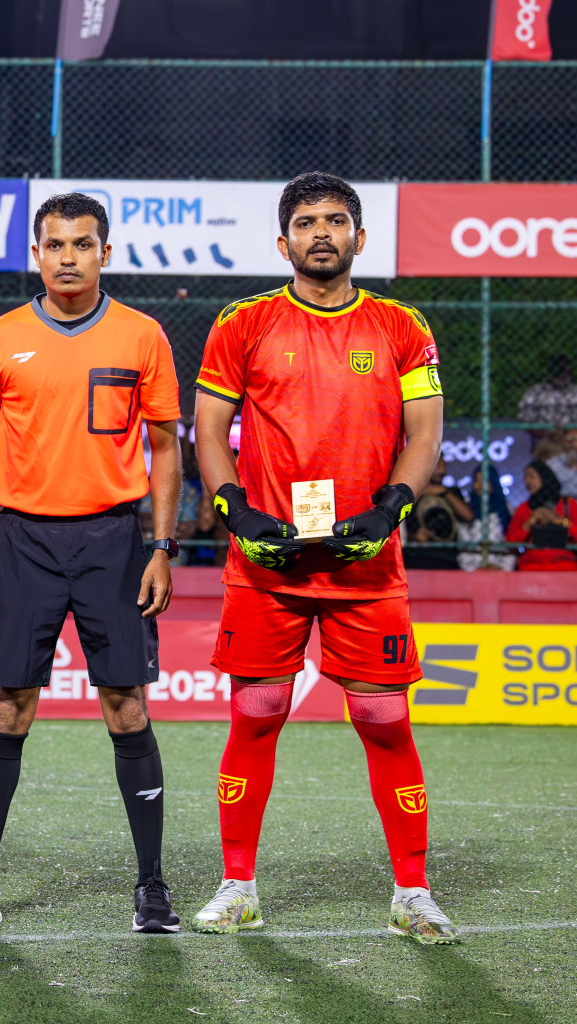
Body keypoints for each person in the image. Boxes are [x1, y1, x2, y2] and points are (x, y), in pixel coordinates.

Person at [191, 172, 459, 943]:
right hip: (267, 560)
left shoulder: (402, 325)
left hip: (367, 562)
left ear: (359, 238)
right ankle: (238, 885)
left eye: (335, 221)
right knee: (258, 709)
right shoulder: (243, 323)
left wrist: (391, 507)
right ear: (283, 242)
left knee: (382, 716)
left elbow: (424, 435)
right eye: (305, 222)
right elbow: (210, 430)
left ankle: (413, 891)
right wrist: (233, 508)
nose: (320, 233)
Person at [0, 192, 182, 934]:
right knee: (9, 706)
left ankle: (151, 886)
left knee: (127, 706)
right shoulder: (0, 337)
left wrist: (161, 545)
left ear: (106, 253)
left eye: (83, 244)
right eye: (55, 245)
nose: (69, 257)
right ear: (37, 255)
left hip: (114, 542)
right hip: (23, 544)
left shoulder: (143, 336)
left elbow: (167, 448)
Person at [401, 455, 472, 570]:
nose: (443, 471)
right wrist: (415, 537)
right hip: (414, 556)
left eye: (445, 466)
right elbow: (398, 529)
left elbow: (468, 516)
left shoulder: (452, 492)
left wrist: (444, 492)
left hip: (446, 557)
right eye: (438, 465)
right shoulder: (410, 494)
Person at [506, 462, 577, 571]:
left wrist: (560, 521)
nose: (527, 482)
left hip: (564, 566)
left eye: (531, 476)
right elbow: (510, 543)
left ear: (544, 477)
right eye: (525, 477)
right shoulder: (524, 508)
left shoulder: (568, 505)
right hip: (531, 567)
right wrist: (530, 523)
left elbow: (572, 526)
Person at [457, 467, 515, 572]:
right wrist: (474, 569)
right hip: (473, 571)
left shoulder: (506, 509)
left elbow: (511, 544)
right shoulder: (467, 508)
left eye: (484, 480)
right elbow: (463, 544)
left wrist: (502, 568)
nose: (479, 485)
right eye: (476, 480)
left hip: (500, 571)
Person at [516, 355, 577, 433]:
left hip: (571, 437)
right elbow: (522, 420)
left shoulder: (575, 392)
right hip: (544, 437)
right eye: (560, 374)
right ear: (551, 374)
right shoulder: (535, 393)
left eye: (568, 373)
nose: (565, 378)